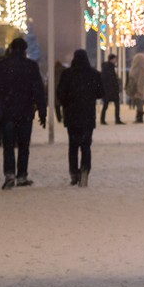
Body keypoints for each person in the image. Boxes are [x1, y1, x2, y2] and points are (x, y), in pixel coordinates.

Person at [0, 37, 46, 189]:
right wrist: (41, 111)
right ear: (25, 50)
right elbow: (38, 90)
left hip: (7, 112)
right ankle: (21, 175)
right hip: (25, 111)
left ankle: (9, 173)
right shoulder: (31, 66)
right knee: (23, 145)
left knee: (8, 145)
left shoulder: (1, 66)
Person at [57, 49, 102, 187]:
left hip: (72, 114)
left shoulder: (67, 74)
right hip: (87, 113)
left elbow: (60, 94)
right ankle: (85, 169)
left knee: (73, 145)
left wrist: (67, 103)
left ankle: (73, 172)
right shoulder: (94, 74)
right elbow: (101, 93)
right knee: (86, 145)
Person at [100, 53, 122, 125]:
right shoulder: (109, 67)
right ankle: (116, 119)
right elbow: (111, 79)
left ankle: (103, 119)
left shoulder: (107, 67)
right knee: (114, 104)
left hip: (108, 90)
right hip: (110, 90)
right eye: (115, 59)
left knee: (106, 105)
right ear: (112, 59)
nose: (116, 60)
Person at [125, 52, 144, 123]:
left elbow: (140, 80)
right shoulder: (138, 68)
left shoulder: (139, 68)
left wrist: (139, 89)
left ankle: (139, 117)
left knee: (139, 103)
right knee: (138, 103)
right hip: (137, 88)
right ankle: (139, 117)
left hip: (138, 88)